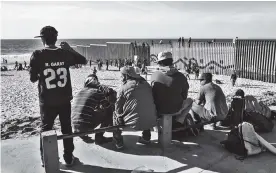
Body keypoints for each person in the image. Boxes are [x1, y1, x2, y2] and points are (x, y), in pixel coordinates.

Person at [29, 26, 87, 167]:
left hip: (47, 100)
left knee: (46, 129)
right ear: (56, 38)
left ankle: (46, 159)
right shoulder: (64, 54)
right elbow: (83, 60)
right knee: (66, 128)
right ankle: (68, 157)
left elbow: (33, 79)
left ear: (43, 39)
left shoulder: (37, 55)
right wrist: (70, 49)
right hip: (64, 99)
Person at [150, 51, 196, 137]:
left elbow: (152, 94)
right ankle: (179, 120)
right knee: (190, 100)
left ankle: (156, 128)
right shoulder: (181, 76)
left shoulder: (154, 75)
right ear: (172, 61)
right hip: (175, 110)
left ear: (160, 63)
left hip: (158, 110)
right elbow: (184, 96)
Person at [113, 66, 157, 149]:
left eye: (122, 75)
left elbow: (118, 106)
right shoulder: (146, 84)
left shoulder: (124, 87)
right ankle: (146, 137)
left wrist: (119, 116)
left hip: (133, 123)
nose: (121, 77)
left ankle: (118, 141)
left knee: (115, 114)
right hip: (150, 120)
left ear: (126, 76)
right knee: (144, 106)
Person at [71, 74, 116, 144]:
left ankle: (82, 134)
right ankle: (99, 137)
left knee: (84, 114)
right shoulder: (97, 92)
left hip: (74, 126)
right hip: (86, 126)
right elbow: (106, 106)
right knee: (109, 110)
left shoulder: (78, 92)